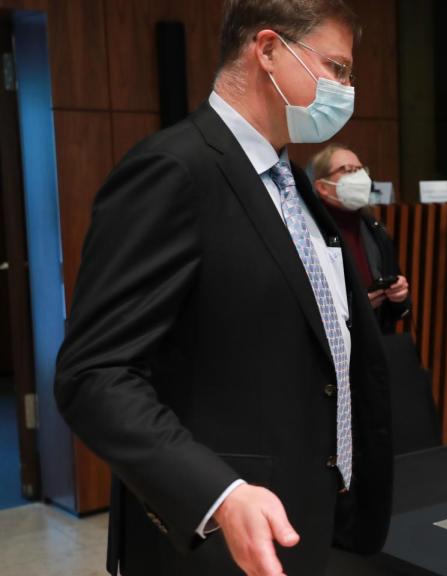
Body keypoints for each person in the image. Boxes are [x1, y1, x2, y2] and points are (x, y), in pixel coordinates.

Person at [53, 1, 393, 575]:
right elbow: (95, 375)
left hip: (307, 523)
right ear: (266, 50)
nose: (345, 89)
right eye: (336, 68)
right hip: (213, 542)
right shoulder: (173, 170)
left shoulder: (295, 187)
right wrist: (218, 495)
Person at [310, 144, 411, 333]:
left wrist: (399, 296)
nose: (358, 177)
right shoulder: (311, 233)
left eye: (360, 170)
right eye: (348, 170)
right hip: (335, 349)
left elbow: (397, 311)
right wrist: (355, 308)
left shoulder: (374, 228)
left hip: (375, 341)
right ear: (322, 187)